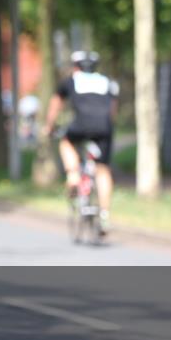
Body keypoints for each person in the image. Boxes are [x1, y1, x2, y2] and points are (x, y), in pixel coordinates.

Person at [42, 51, 118, 233]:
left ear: (76, 66)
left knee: (66, 142)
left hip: (81, 126)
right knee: (103, 170)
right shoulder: (107, 81)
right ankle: (105, 215)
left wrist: (49, 126)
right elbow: (112, 108)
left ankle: (73, 175)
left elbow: (56, 103)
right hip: (104, 128)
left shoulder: (71, 81)